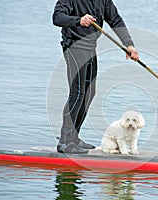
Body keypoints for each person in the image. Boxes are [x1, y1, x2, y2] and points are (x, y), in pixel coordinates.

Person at [52, 0, 139, 153]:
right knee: (77, 93)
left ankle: (73, 137)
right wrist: (78, 20)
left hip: (90, 48)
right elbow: (57, 17)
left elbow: (115, 19)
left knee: (89, 93)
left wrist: (129, 44)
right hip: (73, 46)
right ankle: (65, 142)